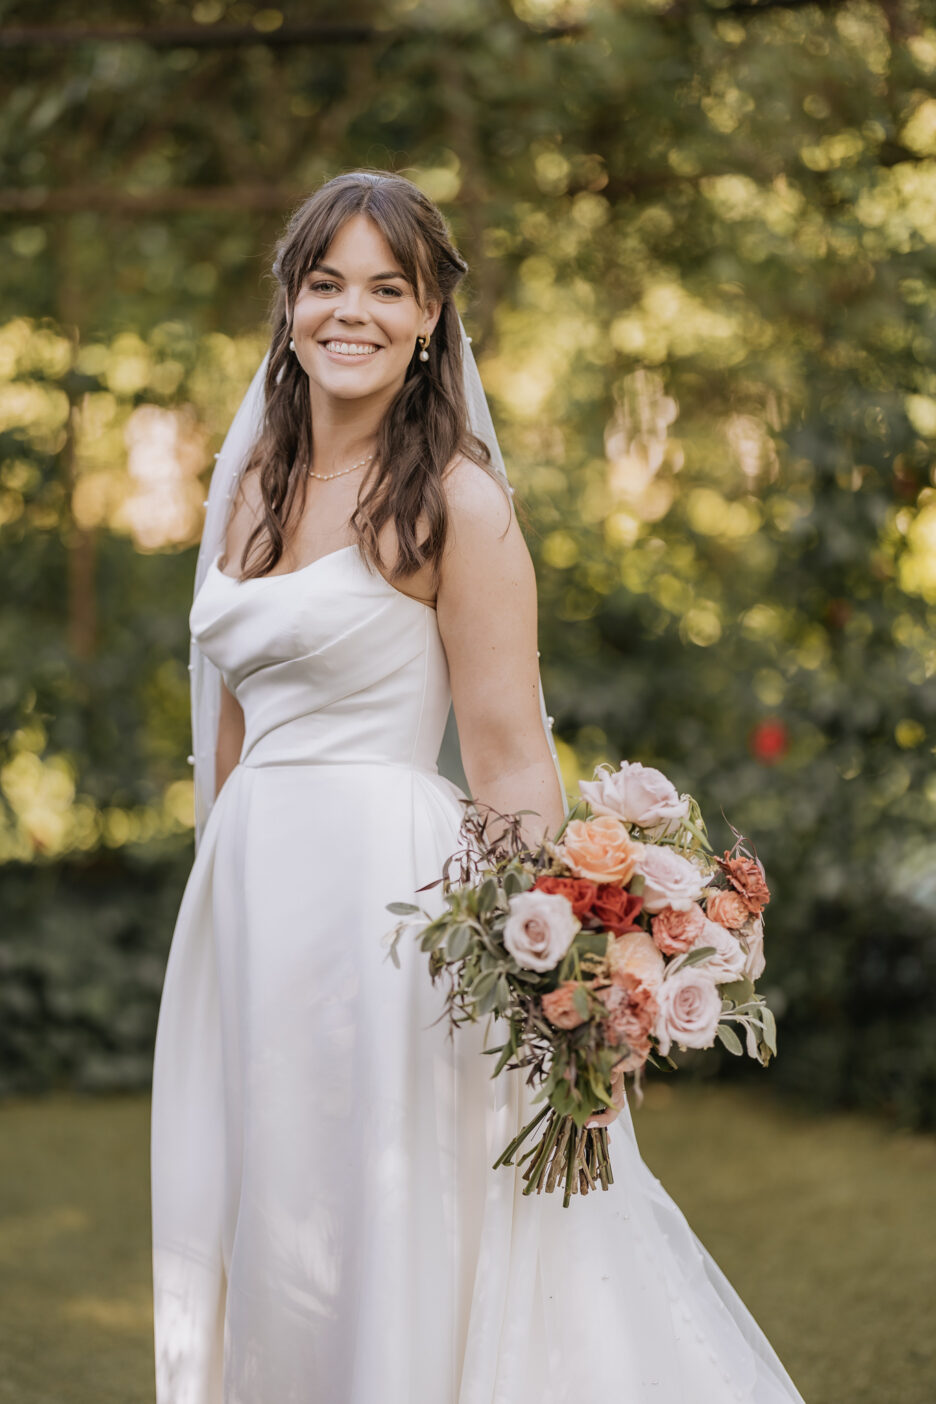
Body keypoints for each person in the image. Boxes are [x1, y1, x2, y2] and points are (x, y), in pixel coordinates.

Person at [151, 169, 806, 1403]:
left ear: (431, 317)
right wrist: (215, 892)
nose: (353, 311)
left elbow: (507, 756)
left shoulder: (457, 499)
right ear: (290, 303)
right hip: (250, 895)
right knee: (272, 1199)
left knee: (391, 1199)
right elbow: (226, 734)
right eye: (326, 282)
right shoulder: (248, 486)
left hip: (394, 902)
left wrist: (554, 978)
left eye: (387, 289)